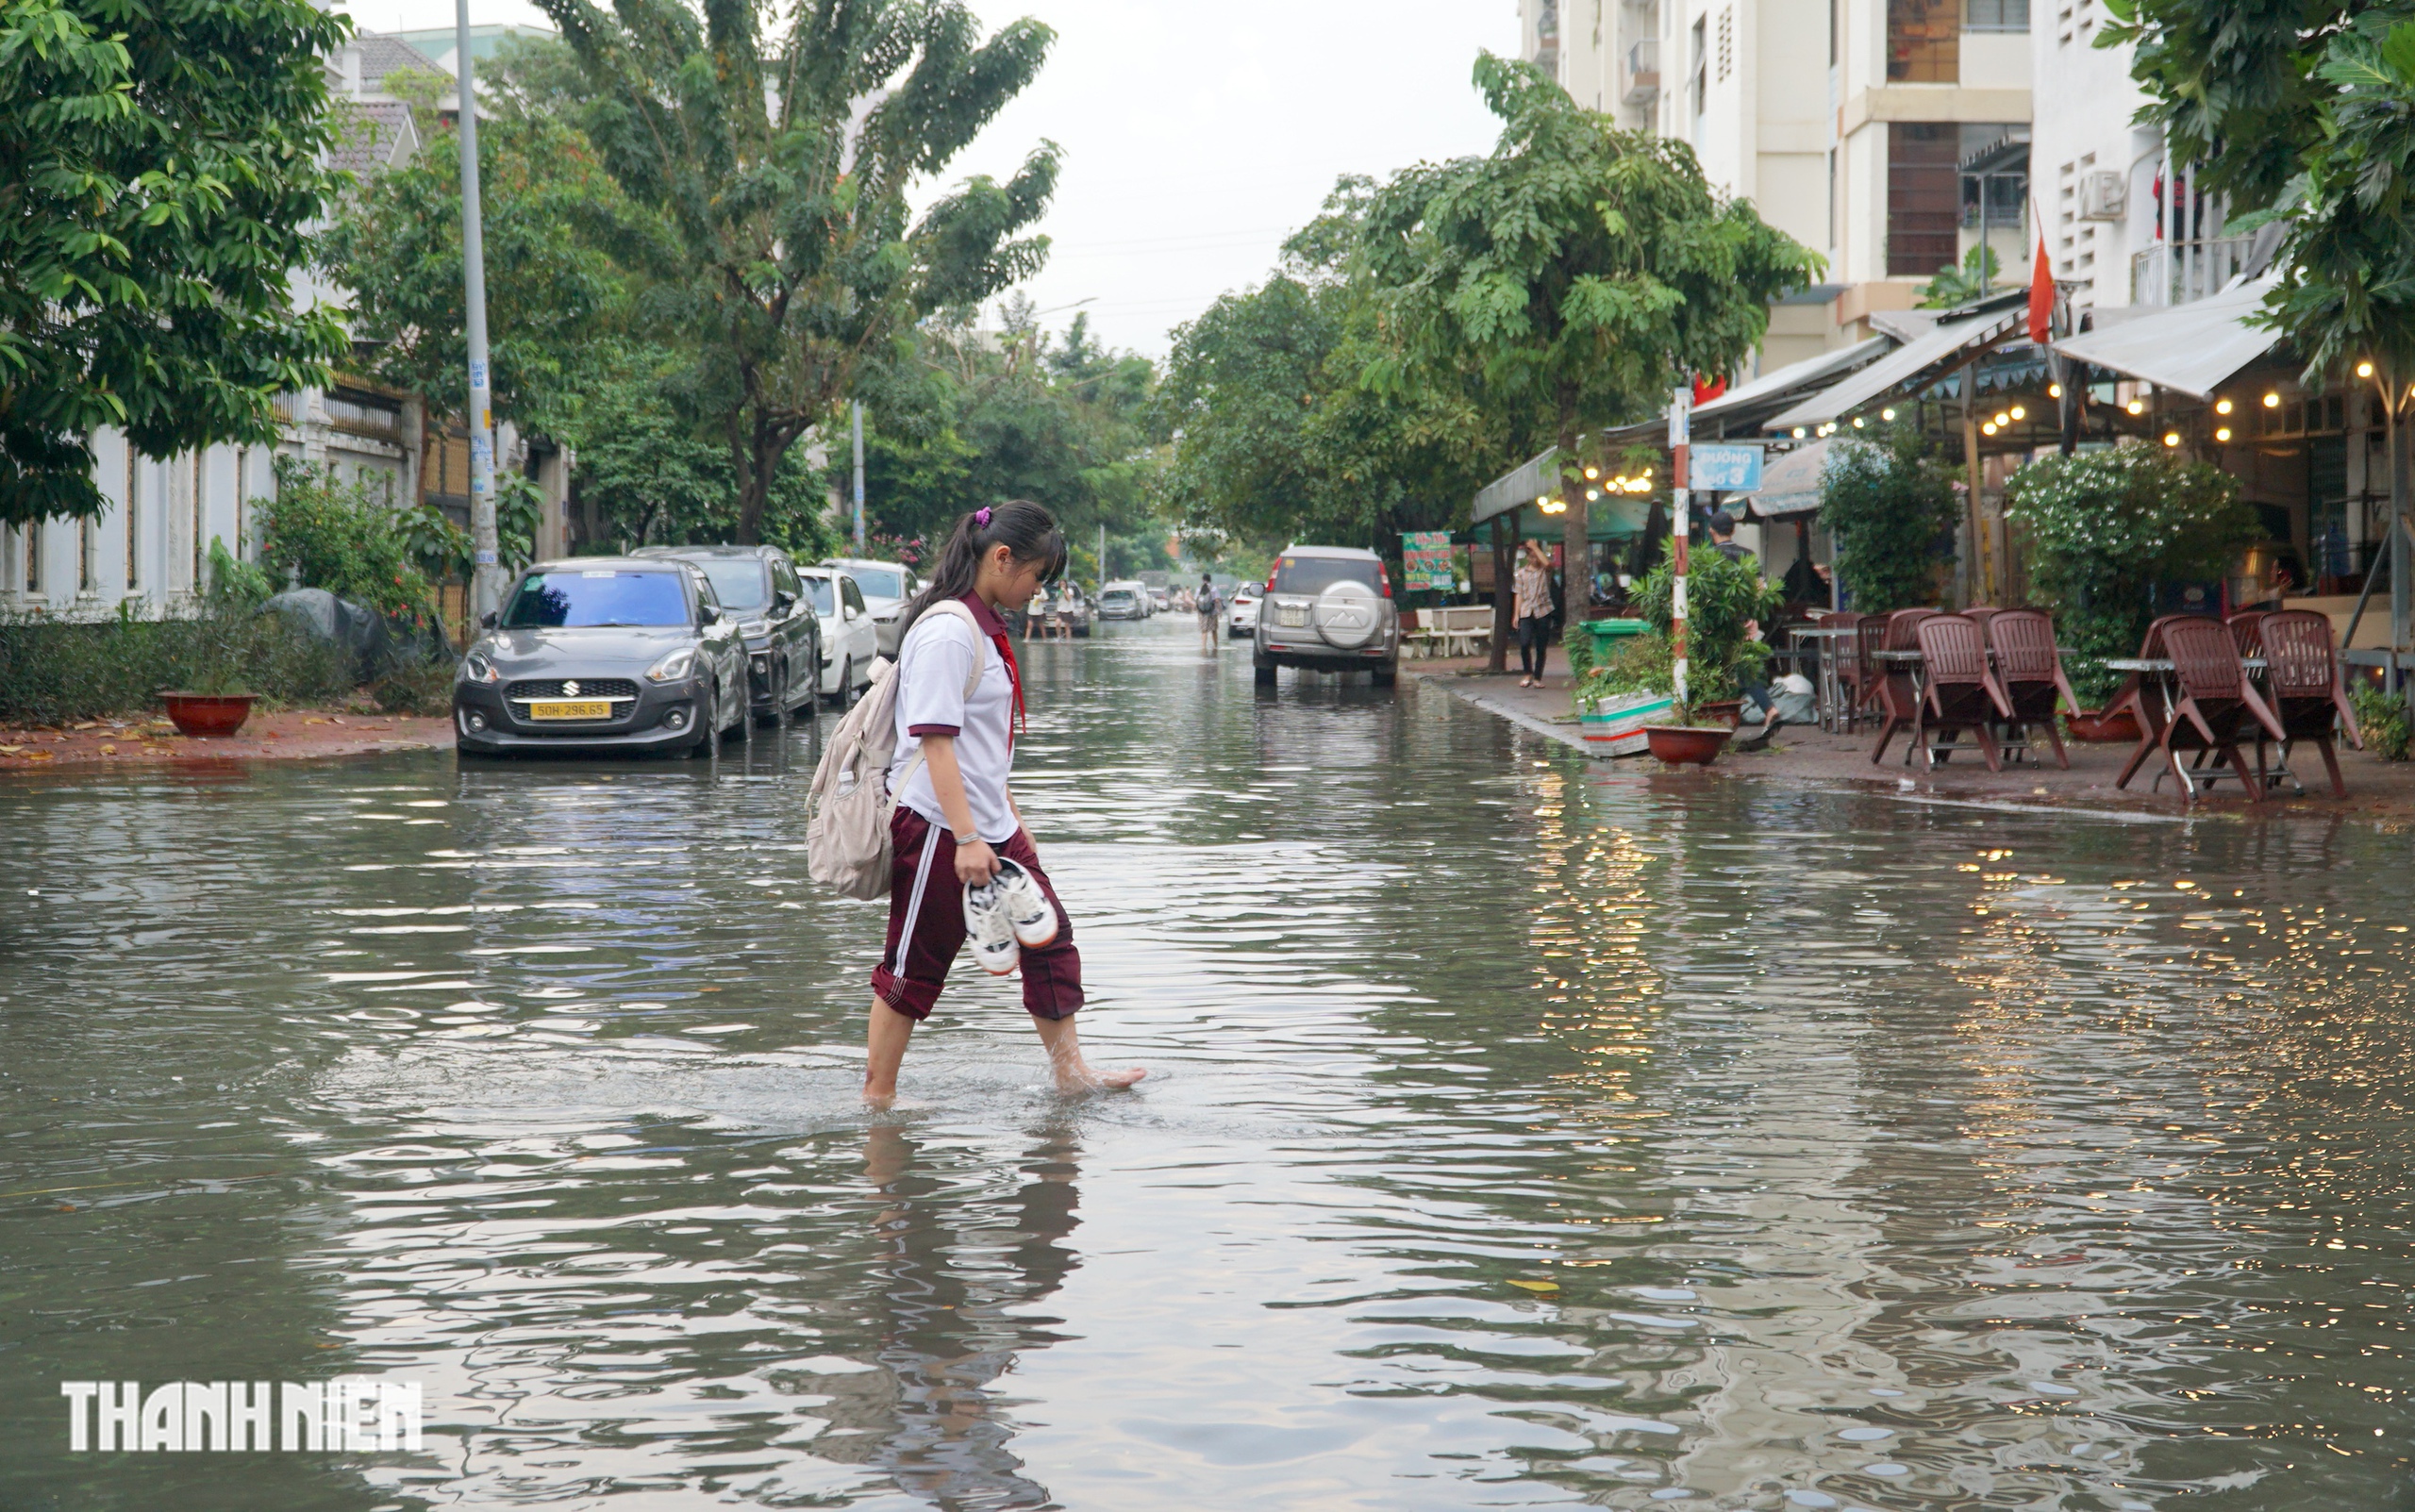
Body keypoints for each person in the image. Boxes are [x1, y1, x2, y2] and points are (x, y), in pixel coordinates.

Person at [865, 500, 1145, 1105]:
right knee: (913, 968)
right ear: (1001, 558)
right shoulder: (946, 630)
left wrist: (1011, 820)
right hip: (941, 825)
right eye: (1037, 576)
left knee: (1050, 942)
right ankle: (877, 1100)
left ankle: (1071, 1073)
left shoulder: (983, 626)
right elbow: (936, 742)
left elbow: (983, 746)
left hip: (987, 820)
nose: (1038, 591)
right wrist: (967, 838)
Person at [1513, 541, 1554, 687]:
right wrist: (1516, 615)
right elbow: (1518, 594)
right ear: (1527, 558)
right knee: (1524, 643)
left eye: (1536, 557)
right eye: (1531, 557)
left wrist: (1536, 547)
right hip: (1526, 611)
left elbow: (1548, 564)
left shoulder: (1543, 570)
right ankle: (1527, 673)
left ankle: (1537, 677)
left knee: (1541, 645)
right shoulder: (1521, 573)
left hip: (1543, 610)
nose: (1534, 560)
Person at [1195, 573, 1221, 652]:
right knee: (1214, 630)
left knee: (1204, 630)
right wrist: (1220, 611)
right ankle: (1215, 646)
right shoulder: (1214, 588)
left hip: (1202, 612)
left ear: (1203, 579)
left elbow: (1196, 600)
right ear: (1210, 579)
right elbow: (1217, 600)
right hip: (1212, 612)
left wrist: (1198, 610)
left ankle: (1203, 647)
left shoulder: (1199, 589)